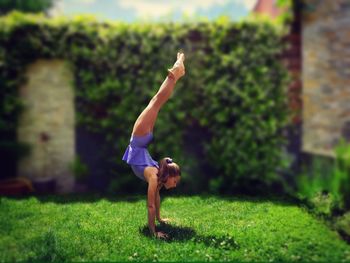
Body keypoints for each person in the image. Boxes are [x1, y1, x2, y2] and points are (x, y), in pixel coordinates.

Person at [122, 52, 185, 239]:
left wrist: (159, 217)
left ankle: (176, 72)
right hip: (139, 138)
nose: (175, 185)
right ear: (169, 176)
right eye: (175, 181)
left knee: (156, 102)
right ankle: (175, 72)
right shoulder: (153, 176)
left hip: (142, 140)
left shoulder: (157, 178)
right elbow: (149, 205)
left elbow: (155, 200)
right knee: (156, 101)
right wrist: (153, 232)